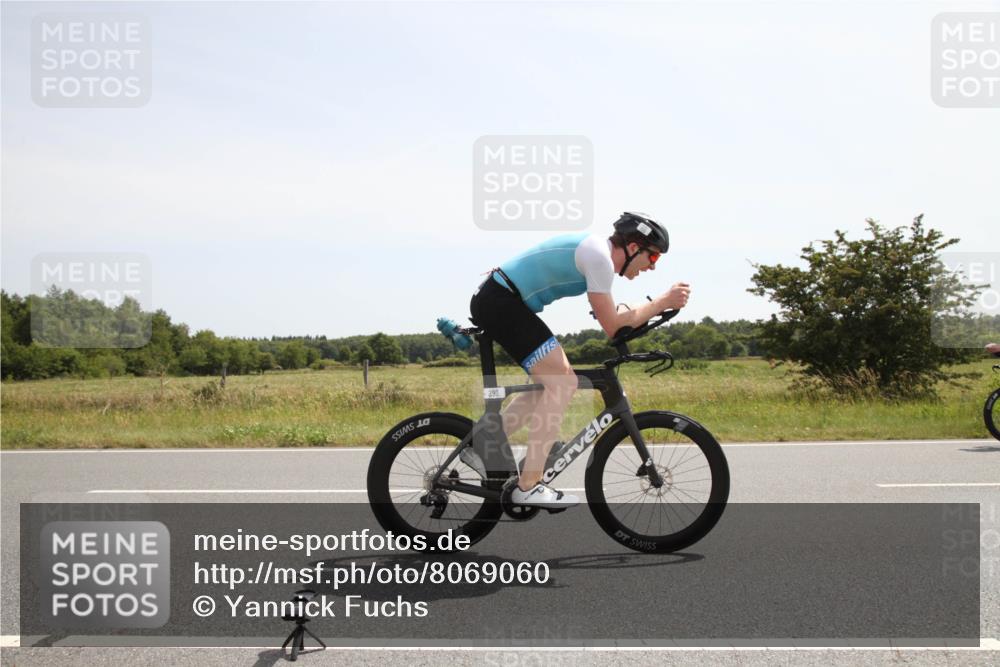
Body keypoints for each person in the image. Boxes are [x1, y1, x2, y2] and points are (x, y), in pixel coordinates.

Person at [467, 212, 689, 508]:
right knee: (563, 382)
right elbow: (613, 326)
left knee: (551, 383)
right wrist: (661, 302)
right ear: (634, 247)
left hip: (502, 300)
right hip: (502, 301)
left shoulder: (597, 255)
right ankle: (528, 485)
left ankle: (485, 444)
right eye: (653, 258)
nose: (651, 268)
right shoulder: (600, 259)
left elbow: (616, 318)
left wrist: (653, 308)